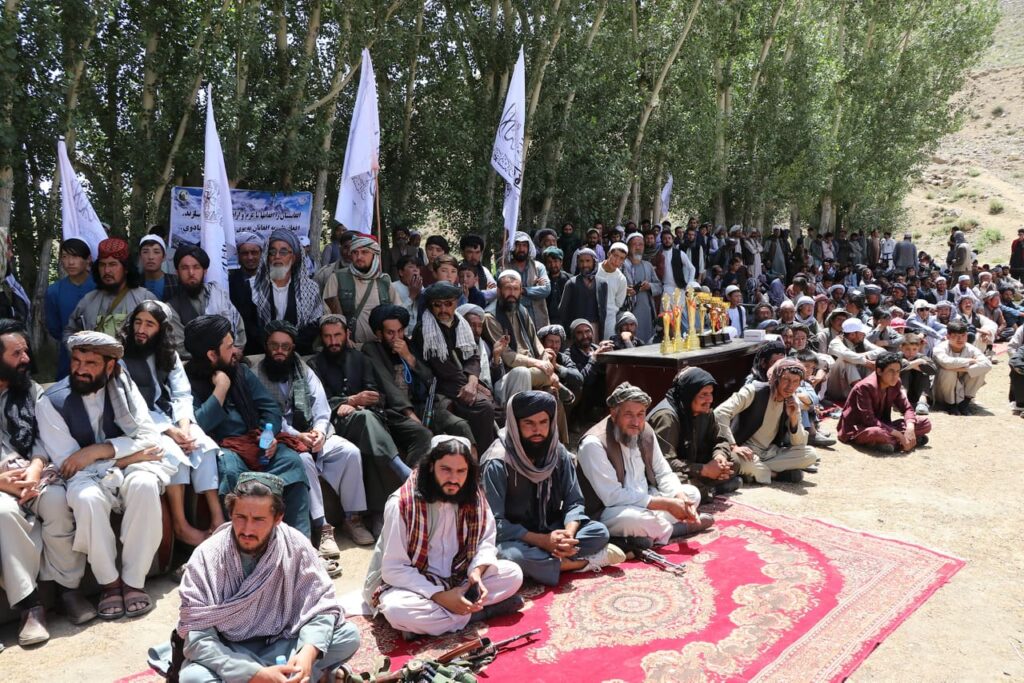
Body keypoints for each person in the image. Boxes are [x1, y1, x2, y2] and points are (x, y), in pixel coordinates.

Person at [37, 331, 176, 619]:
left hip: (124, 466)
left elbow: (150, 438)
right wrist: (129, 455)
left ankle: (134, 581)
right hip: (84, 477)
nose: (81, 369)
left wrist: (99, 450)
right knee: (87, 499)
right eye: (76, 361)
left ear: (109, 367)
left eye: (91, 363)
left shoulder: (124, 387)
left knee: (145, 484)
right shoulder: (50, 401)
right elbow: (69, 463)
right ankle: (110, 584)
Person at [173, 473, 359, 683]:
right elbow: (197, 636)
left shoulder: (295, 545)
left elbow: (321, 606)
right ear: (231, 514)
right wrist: (254, 674)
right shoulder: (207, 556)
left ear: (278, 518)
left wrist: (307, 654)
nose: (247, 529)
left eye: (259, 520)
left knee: (348, 636)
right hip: (231, 651)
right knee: (193, 678)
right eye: (240, 517)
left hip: (283, 641)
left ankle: (294, 673)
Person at [363, 437, 525, 638]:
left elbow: (486, 540)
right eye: (446, 470)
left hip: (460, 579)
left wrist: (476, 572)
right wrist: (439, 596)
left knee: (514, 574)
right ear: (431, 467)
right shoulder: (401, 504)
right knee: (397, 610)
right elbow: (393, 569)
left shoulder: (472, 494)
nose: (454, 479)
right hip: (416, 586)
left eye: (461, 471)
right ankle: (481, 613)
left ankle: (436, 623)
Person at [0, 320, 89, 645]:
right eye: (16, 353)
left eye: (26, 351)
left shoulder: (32, 391)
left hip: (33, 472)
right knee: (3, 513)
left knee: (55, 500)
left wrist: (35, 469)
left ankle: (68, 591)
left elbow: (43, 436)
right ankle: (31, 607)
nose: (25, 359)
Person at [182, 315, 311, 537]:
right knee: (230, 472)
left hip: (256, 441)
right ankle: (241, 547)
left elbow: (270, 408)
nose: (236, 351)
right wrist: (220, 389)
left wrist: (268, 434)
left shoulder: (240, 370)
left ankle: (299, 544)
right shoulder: (187, 380)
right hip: (224, 449)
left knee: (291, 461)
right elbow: (198, 424)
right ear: (212, 355)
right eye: (229, 346)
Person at [482, 391, 622, 586]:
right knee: (510, 556)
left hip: (553, 530)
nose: (537, 430)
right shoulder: (497, 462)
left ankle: (549, 561)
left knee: (599, 532)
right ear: (515, 425)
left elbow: (574, 502)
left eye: (543, 423)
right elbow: (495, 523)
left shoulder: (559, 453)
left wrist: (568, 535)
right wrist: (542, 541)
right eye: (529, 424)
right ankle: (572, 564)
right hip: (517, 538)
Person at [255, 320, 373, 550]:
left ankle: (353, 518)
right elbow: (267, 416)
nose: (280, 352)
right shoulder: (256, 374)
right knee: (303, 459)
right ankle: (322, 527)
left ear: (292, 349)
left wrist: (318, 431)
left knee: (349, 452)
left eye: (285, 347)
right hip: (281, 437)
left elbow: (321, 408)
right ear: (267, 347)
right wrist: (298, 435)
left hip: (312, 433)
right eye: (274, 346)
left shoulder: (303, 370)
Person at [118, 301, 224, 547]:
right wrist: (170, 431)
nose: (141, 329)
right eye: (138, 322)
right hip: (141, 424)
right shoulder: (121, 356)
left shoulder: (168, 353)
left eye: (149, 324)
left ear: (161, 329)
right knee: (175, 455)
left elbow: (181, 394)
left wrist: (184, 427)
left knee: (203, 446)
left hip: (174, 418)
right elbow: (130, 405)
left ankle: (218, 520)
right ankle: (181, 525)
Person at [312, 313, 425, 519]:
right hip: (338, 422)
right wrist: (349, 401)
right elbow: (319, 403)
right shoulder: (314, 365)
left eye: (338, 335)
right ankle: (404, 474)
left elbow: (376, 393)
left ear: (347, 334)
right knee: (365, 419)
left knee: (420, 432)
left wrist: (364, 401)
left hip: (373, 414)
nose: (333, 341)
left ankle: (417, 480)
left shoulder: (361, 359)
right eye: (328, 337)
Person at [577, 383, 713, 547]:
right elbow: (612, 496)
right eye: (629, 414)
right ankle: (677, 529)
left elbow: (662, 471)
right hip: (609, 511)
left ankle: (648, 535)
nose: (636, 421)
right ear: (614, 414)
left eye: (641, 414)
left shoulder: (644, 430)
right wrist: (665, 504)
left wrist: (680, 498)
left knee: (692, 493)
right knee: (634, 520)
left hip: (647, 501)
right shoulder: (593, 443)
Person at [362, 304, 475, 447]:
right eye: (390, 333)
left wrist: (409, 357)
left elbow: (430, 379)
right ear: (379, 334)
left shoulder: (408, 345)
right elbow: (389, 387)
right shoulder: (372, 350)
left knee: (461, 426)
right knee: (423, 434)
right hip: (394, 412)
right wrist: (411, 415)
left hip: (421, 406)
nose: (396, 337)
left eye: (400, 331)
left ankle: (474, 467)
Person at [411, 282, 496, 449]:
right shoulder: (424, 330)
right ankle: (483, 460)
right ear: (431, 306)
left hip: (465, 382)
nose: (443, 310)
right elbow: (443, 369)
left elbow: (473, 356)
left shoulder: (461, 324)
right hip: (441, 387)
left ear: (456, 303)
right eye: (438, 305)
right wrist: (472, 386)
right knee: (485, 408)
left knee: (499, 410)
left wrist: (473, 383)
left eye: (448, 304)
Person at [713, 357, 818, 484]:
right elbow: (720, 412)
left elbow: (799, 444)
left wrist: (794, 418)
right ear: (776, 378)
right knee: (739, 461)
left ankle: (756, 473)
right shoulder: (753, 391)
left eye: (796, 381)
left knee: (811, 454)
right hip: (744, 450)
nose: (790, 386)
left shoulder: (792, 401)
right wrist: (733, 445)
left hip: (770, 452)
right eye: (786, 379)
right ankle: (774, 474)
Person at [648, 367, 741, 504]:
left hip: (693, 464)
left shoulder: (705, 410)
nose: (709, 399)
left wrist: (719, 457)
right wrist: (703, 470)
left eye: (710, 393)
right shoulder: (667, 417)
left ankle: (707, 488)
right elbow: (665, 463)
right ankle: (711, 490)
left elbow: (720, 440)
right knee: (684, 486)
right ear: (689, 394)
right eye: (703, 394)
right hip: (672, 471)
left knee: (734, 461)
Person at [65, 237, 161, 339]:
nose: (107, 271)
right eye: (102, 265)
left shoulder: (144, 299)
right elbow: (70, 331)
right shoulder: (88, 300)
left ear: (126, 268)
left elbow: (163, 334)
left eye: (113, 264)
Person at [247, 228, 325, 354]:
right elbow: (250, 325)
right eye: (272, 252)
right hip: (262, 353)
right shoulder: (252, 286)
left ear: (293, 258)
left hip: (298, 352)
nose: (277, 256)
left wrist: (289, 346)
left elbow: (314, 323)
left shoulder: (310, 288)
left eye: (283, 252)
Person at [838, 352, 932, 454]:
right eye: (891, 371)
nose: (895, 375)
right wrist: (899, 435)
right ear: (879, 371)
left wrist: (910, 428)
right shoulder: (865, 387)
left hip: (885, 425)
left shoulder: (896, 383)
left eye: (897, 371)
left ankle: (891, 443)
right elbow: (869, 420)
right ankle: (901, 441)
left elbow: (907, 408)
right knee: (876, 433)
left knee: (925, 423)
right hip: (862, 427)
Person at [163, 244, 246, 360]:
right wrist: (217, 357)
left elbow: (239, 330)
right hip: (196, 371)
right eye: (185, 268)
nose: (191, 273)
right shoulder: (171, 308)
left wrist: (233, 352)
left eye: (196, 267)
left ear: (205, 271)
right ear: (177, 272)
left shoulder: (219, 295)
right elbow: (180, 348)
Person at [325, 235, 399, 346]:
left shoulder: (384, 280)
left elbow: (398, 313)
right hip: (350, 348)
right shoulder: (337, 278)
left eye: (364, 252)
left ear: (375, 255)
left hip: (380, 348)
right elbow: (327, 315)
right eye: (355, 252)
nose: (359, 257)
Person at [45, 237, 96, 379]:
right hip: (68, 354)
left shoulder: (100, 287)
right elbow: (54, 328)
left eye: (75, 256)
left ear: (88, 259)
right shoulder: (54, 291)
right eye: (65, 257)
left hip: (100, 351)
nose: (70, 262)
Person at [932, 319, 993, 415]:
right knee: (948, 372)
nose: (960, 339)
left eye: (963, 335)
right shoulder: (940, 348)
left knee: (979, 371)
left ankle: (964, 403)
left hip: (962, 388)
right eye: (955, 336)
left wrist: (963, 369)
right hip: (942, 391)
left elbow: (987, 364)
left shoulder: (970, 348)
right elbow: (946, 362)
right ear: (948, 336)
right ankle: (950, 405)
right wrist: (970, 361)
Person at [825, 317, 884, 402]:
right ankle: (862, 393)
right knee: (846, 360)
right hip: (836, 388)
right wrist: (866, 362)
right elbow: (846, 355)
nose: (864, 334)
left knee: (872, 361)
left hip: (851, 388)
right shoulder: (835, 343)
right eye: (861, 333)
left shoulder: (861, 340)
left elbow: (882, 351)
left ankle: (869, 392)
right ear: (852, 334)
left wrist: (862, 357)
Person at [622, 232, 662, 344]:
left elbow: (659, 286)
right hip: (628, 312)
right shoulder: (622, 265)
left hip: (646, 313)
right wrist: (626, 290)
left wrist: (650, 286)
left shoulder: (647, 265)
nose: (638, 247)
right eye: (634, 244)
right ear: (628, 247)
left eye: (641, 244)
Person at [505, 231, 551, 328]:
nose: (521, 249)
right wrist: (535, 289)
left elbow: (546, 289)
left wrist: (523, 290)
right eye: (518, 245)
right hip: (514, 320)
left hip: (537, 320)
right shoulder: (505, 269)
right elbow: (504, 292)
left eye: (524, 245)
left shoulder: (538, 267)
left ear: (529, 247)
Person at [557, 247, 601, 331]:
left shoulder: (602, 283)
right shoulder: (571, 283)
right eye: (581, 261)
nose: (584, 265)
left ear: (594, 262)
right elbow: (562, 310)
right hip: (577, 328)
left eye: (588, 261)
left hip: (595, 328)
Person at [595, 242, 628, 340]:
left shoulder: (621, 279)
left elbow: (619, 303)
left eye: (621, 258)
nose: (617, 261)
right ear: (609, 254)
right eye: (615, 256)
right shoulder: (595, 269)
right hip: (591, 315)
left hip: (609, 320)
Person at [459, 234, 497, 303]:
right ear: (462, 253)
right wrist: (486, 292)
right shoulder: (456, 271)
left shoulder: (484, 271)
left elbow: (495, 291)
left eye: (477, 252)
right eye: (470, 252)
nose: (474, 257)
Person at [138, 235, 177, 299]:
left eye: (156, 252)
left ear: (164, 257)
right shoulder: (134, 284)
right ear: (140, 256)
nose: (150, 257)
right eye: (145, 252)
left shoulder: (175, 282)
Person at [542, 246, 571, 326]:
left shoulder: (570, 279)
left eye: (555, 261)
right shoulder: (543, 280)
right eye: (549, 262)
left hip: (566, 321)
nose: (553, 265)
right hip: (548, 321)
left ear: (561, 262)